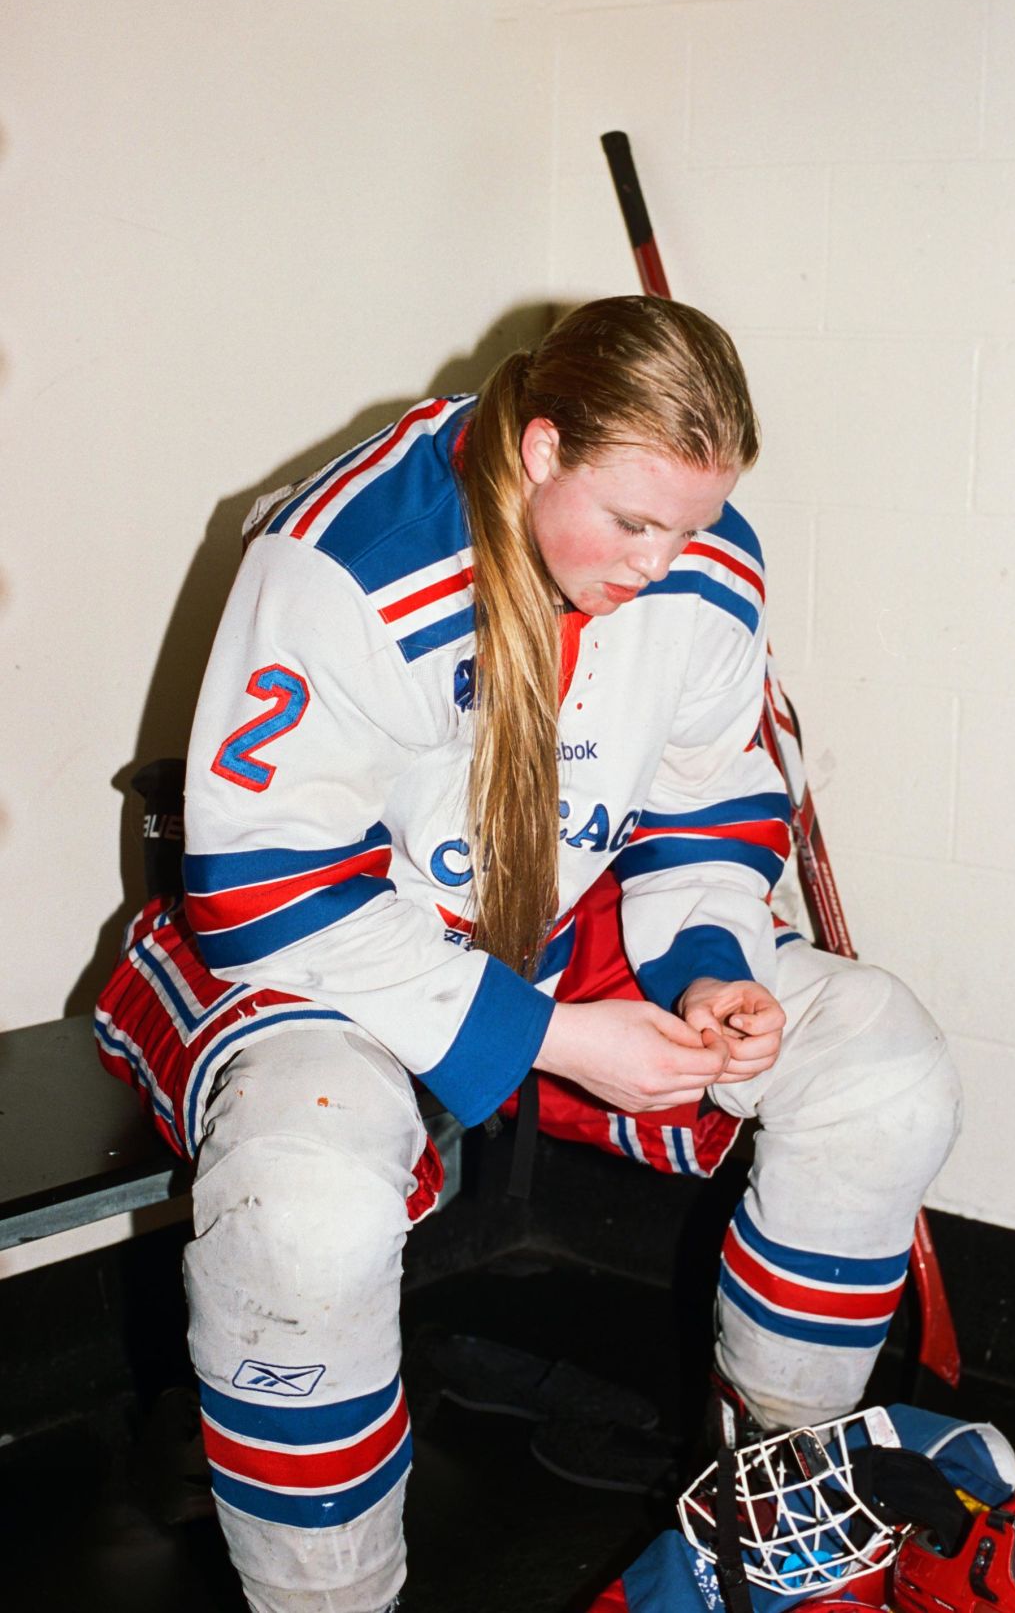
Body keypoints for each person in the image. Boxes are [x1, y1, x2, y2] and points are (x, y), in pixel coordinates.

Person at [96, 296, 961, 1613]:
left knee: (878, 1059)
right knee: (303, 1206)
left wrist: (712, 967)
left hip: (550, 917)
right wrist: (555, 1036)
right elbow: (261, 886)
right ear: (542, 447)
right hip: (309, 940)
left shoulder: (698, 558)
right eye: (632, 524)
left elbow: (704, 805)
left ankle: (772, 1523)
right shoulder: (350, 557)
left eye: (691, 522)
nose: (665, 561)